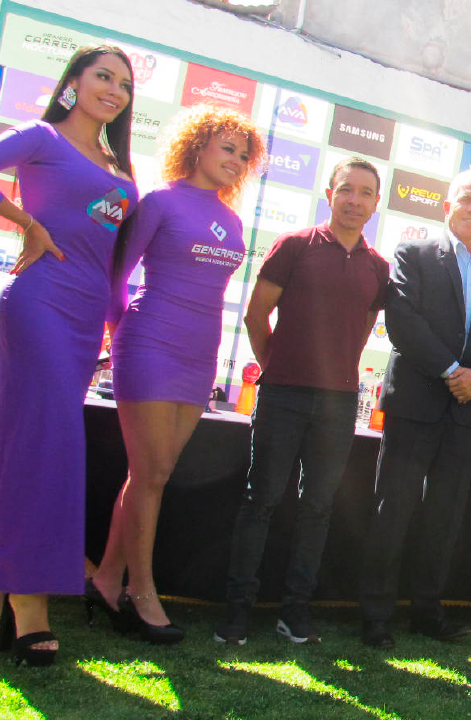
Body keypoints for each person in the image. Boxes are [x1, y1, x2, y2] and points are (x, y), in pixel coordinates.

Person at [87, 105, 264, 645]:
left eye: (243, 155)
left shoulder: (232, 219)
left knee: (151, 473)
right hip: (150, 343)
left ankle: (105, 580)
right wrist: (119, 334)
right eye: (226, 148)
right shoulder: (159, 201)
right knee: (154, 473)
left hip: (199, 353)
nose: (235, 160)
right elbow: (117, 276)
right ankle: (141, 592)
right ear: (196, 147)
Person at [214, 158, 389, 646]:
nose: (354, 200)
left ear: (377, 203)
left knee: (318, 508)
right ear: (329, 194)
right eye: (346, 189)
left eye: (365, 193)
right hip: (283, 396)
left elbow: (360, 331)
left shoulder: (379, 268)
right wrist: (278, 366)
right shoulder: (294, 245)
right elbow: (256, 316)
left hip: (339, 404)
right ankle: (237, 610)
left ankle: (295, 612)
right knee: (261, 501)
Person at [0, 46, 137, 667]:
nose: (114, 90)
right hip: (37, 305)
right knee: (48, 447)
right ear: (73, 83)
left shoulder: (119, 167)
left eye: (124, 84)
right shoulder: (41, 136)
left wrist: (117, 324)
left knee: (28, 446)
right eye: (103, 76)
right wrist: (25, 222)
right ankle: (29, 606)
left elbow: (112, 259)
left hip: (85, 324)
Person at [359, 169, 471, 648]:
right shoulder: (413, 254)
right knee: (394, 509)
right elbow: (403, 321)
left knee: (444, 517)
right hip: (415, 402)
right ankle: (376, 615)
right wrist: (453, 372)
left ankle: (427, 612)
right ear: (448, 206)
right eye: (465, 200)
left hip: (465, 412)